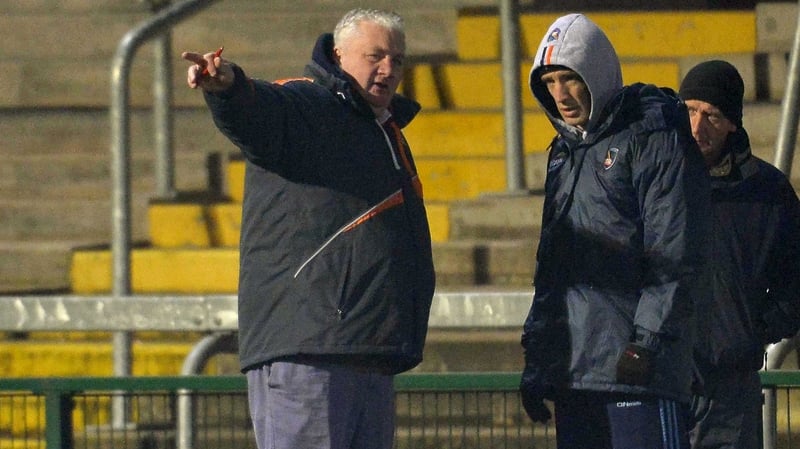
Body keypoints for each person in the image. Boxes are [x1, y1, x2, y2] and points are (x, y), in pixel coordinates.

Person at [181, 8, 436, 449]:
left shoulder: (382, 129)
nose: (389, 69)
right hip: (311, 351)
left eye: (398, 59)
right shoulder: (311, 104)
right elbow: (259, 110)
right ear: (338, 55)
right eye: (375, 55)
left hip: (366, 351)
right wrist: (226, 85)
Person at [519, 13, 711, 449]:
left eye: (569, 79)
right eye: (548, 83)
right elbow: (552, 266)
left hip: (640, 375)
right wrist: (539, 358)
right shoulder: (565, 154)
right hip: (577, 374)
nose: (560, 95)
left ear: (597, 73)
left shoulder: (654, 136)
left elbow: (675, 251)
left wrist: (646, 344)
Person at [678, 60, 800, 449]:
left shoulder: (767, 192)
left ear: (733, 122)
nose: (697, 126)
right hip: (658, 383)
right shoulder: (651, 179)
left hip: (730, 393)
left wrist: (753, 331)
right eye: (690, 110)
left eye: (711, 115)